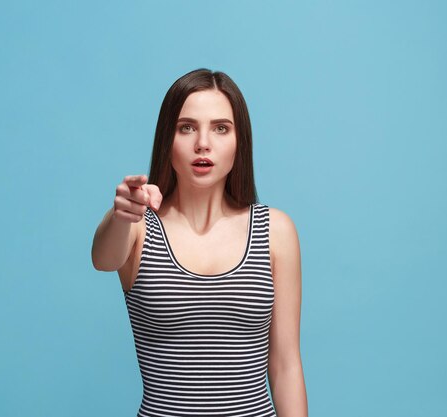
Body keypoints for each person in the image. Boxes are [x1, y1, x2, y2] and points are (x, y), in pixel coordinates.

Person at [91, 68, 308, 416]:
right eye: (186, 127)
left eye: (220, 128)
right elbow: (103, 259)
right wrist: (121, 213)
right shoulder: (137, 226)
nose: (202, 143)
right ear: (167, 139)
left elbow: (285, 366)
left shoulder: (275, 231)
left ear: (240, 141)